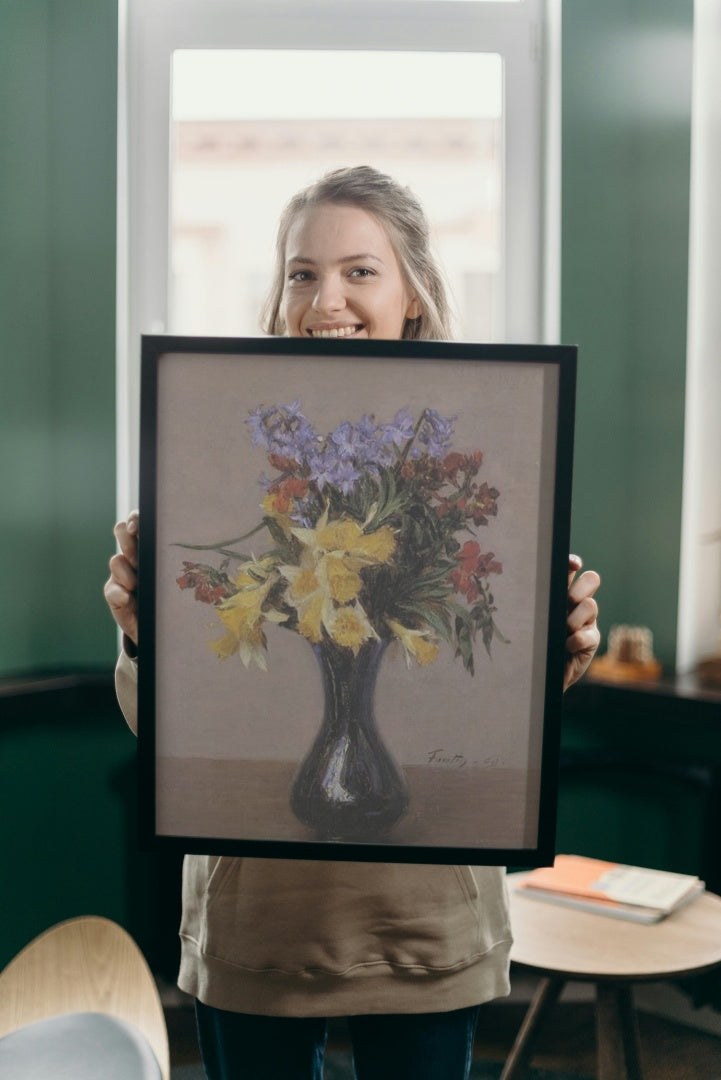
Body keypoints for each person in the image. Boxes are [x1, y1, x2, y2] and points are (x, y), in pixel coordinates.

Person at [105, 166, 601, 1080]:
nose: (323, 298)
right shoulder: (211, 454)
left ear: (413, 292)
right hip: (258, 918)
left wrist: (555, 653)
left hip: (423, 917)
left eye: (358, 271)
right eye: (301, 272)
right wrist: (144, 638)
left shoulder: (483, 454)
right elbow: (167, 724)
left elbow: (481, 702)